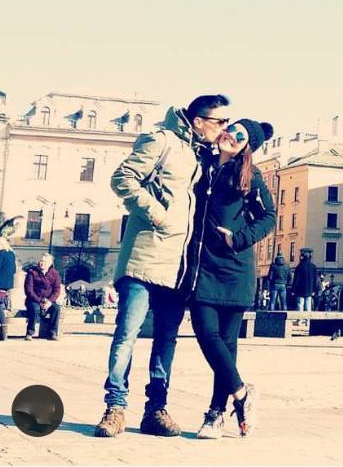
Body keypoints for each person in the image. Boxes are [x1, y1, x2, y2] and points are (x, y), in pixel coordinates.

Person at [94, 94, 229, 439]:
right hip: (143, 258)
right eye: (219, 121)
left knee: (166, 340)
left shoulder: (202, 155)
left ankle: (156, 409)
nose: (224, 127)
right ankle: (115, 407)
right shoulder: (162, 141)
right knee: (127, 335)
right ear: (198, 120)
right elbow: (123, 178)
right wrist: (158, 215)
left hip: (177, 267)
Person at [190, 118, 276, 439]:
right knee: (205, 332)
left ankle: (214, 414)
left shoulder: (250, 176)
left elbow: (269, 217)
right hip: (202, 267)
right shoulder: (204, 165)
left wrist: (238, 238)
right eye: (231, 128)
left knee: (226, 344)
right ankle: (242, 394)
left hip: (234, 268)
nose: (231, 135)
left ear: (246, 146)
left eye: (239, 135)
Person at [0, 210, 19, 342]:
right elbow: (14, 270)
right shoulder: (11, 254)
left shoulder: (0, 253)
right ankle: (3, 332)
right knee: (0, 307)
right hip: (5, 285)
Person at [24, 253, 63, 341]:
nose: (41, 263)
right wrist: (39, 301)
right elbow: (29, 290)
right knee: (35, 308)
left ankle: (53, 333)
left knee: (56, 308)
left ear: (50, 263)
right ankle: (29, 333)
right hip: (33, 300)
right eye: (40, 261)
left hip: (49, 301)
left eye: (44, 262)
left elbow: (57, 290)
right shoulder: (32, 272)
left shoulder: (55, 274)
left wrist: (50, 301)